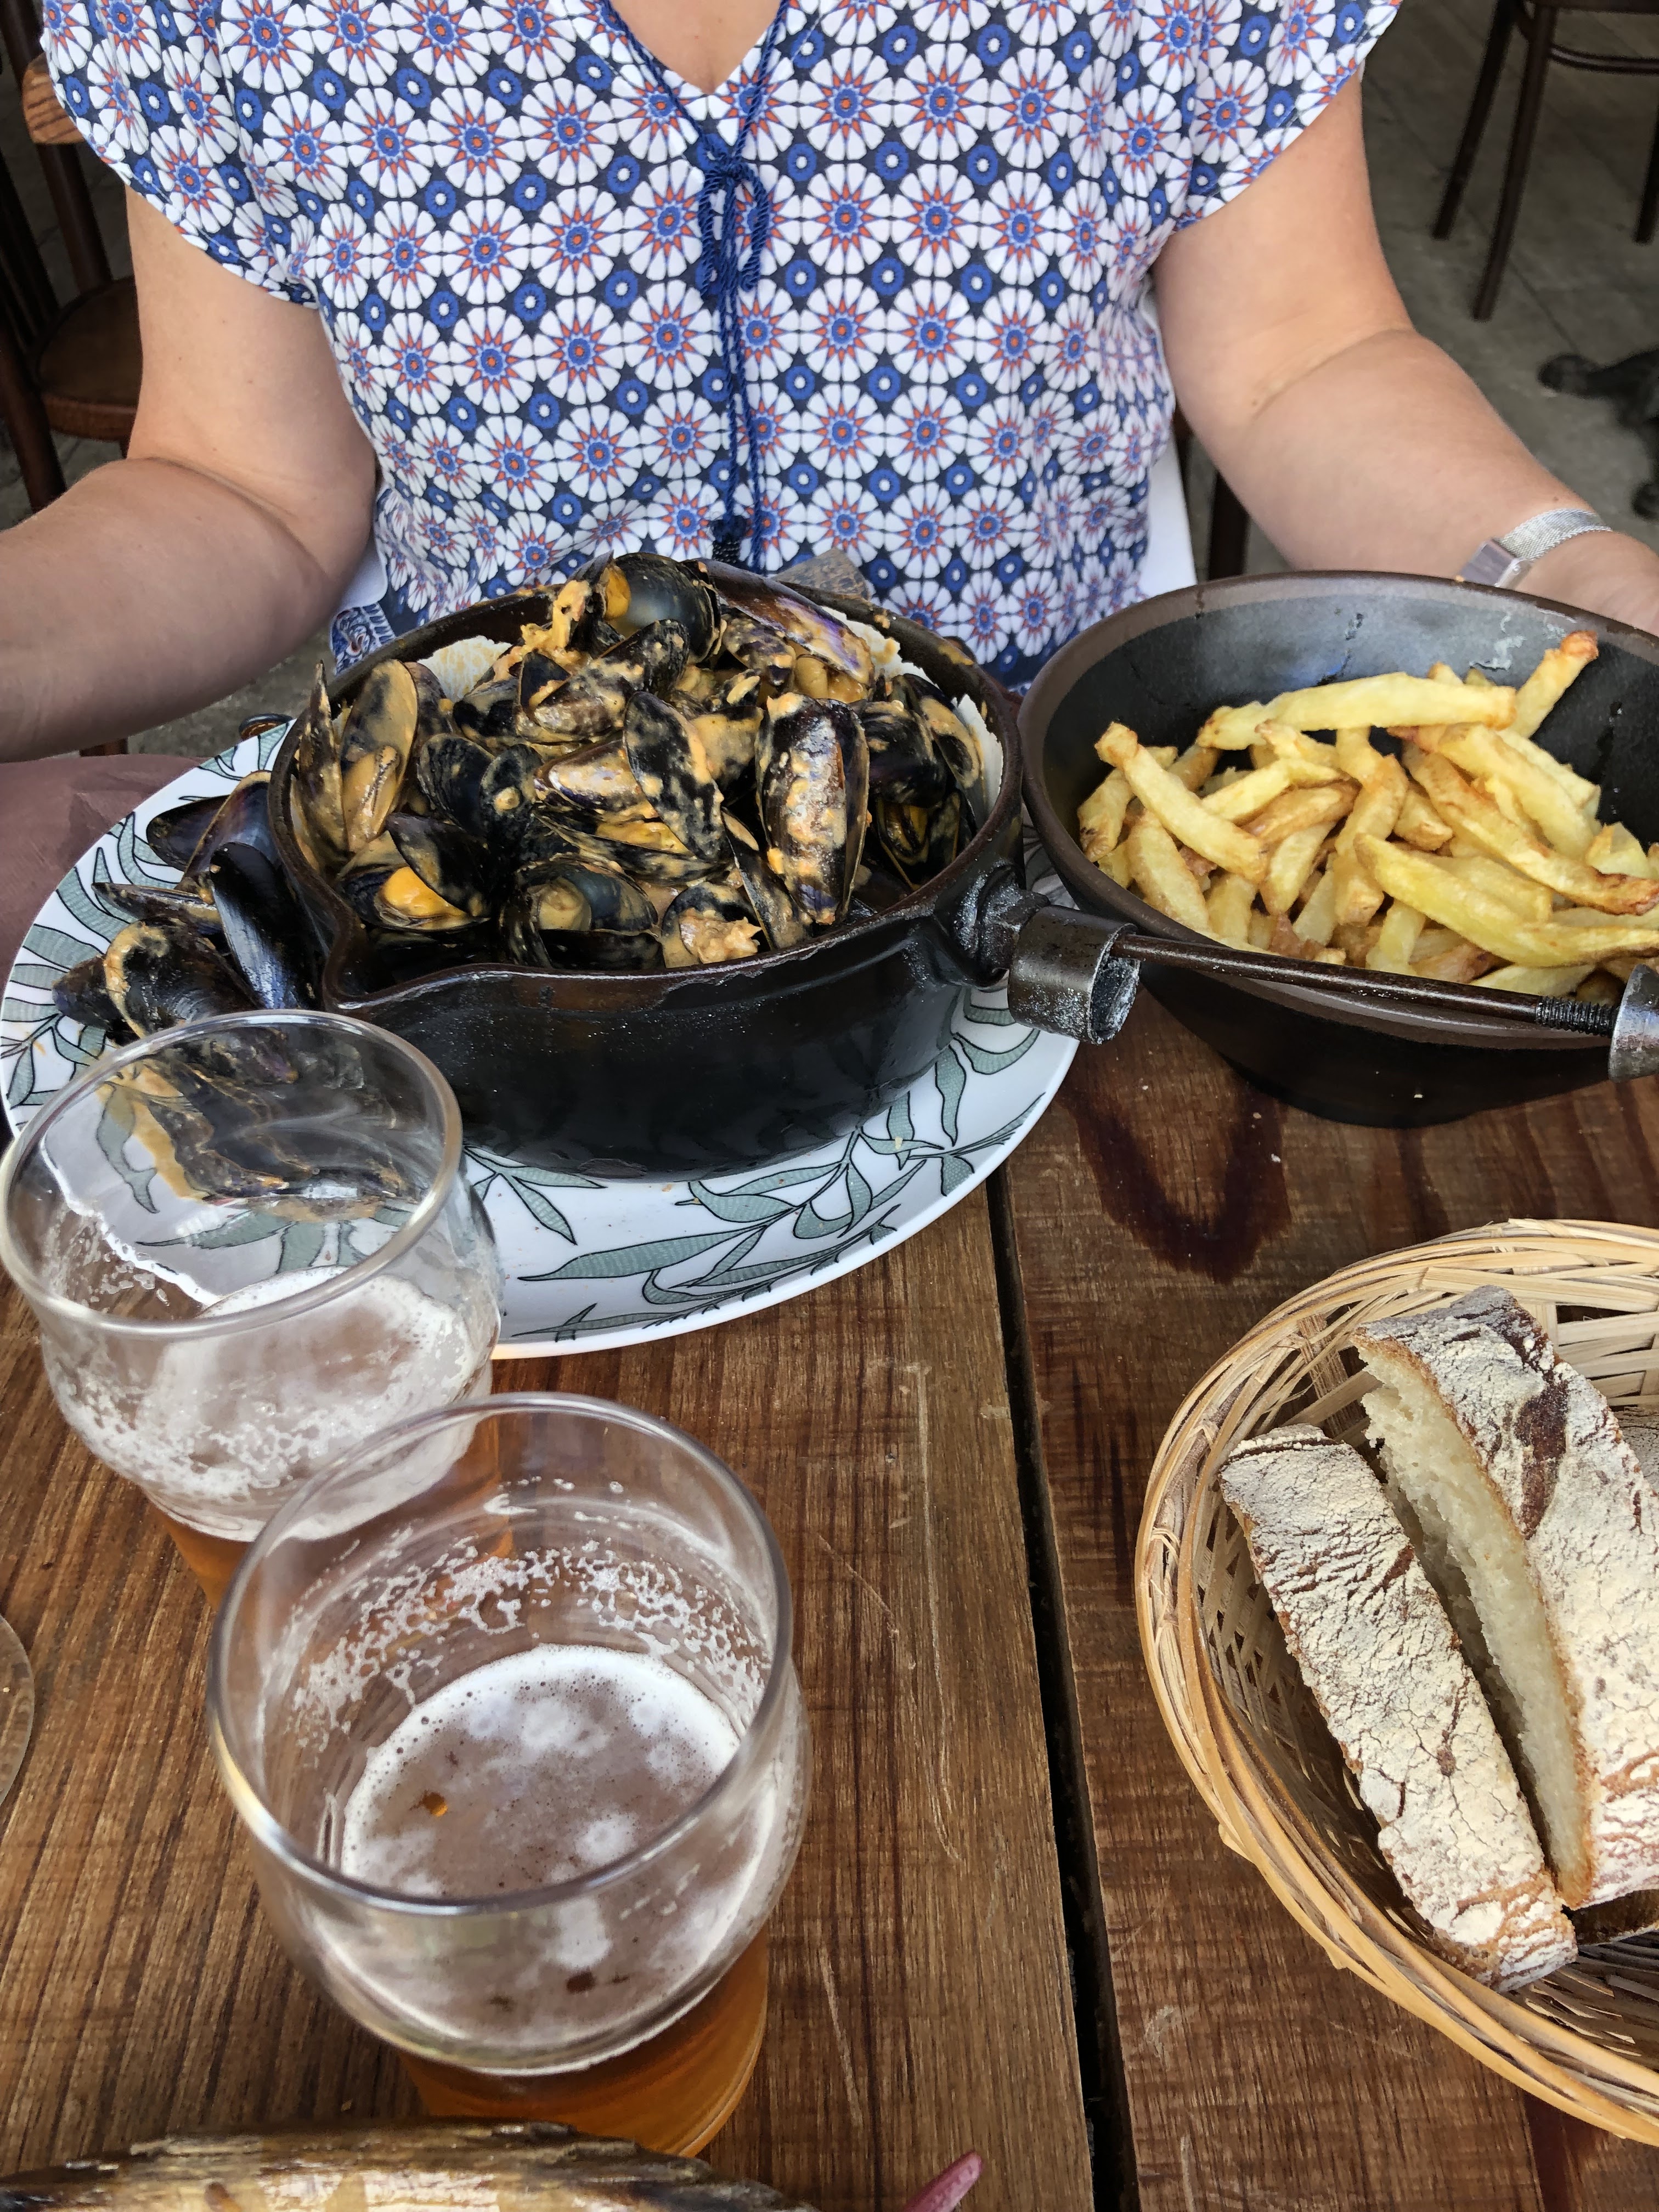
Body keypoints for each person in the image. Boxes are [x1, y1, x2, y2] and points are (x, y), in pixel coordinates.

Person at [3, 0, 1657, 756]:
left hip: (1043, 845)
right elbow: (238, 484)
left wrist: (1570, 576)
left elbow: (1308, 359)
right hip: (485, 875)